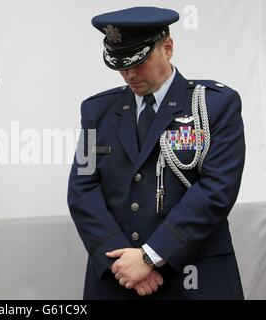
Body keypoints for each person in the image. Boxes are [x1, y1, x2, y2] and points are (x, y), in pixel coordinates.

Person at [68, 6, 245, 299]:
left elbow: (217, 189)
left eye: (139, 62)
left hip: (194, 276)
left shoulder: (214, 105)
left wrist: (151, 256)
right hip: (119, 279)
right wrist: (121, 263)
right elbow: (82, 189)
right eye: (121, 64)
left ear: (168, 48)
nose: (129, 74)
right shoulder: (96, 113)